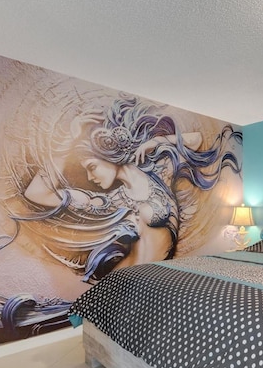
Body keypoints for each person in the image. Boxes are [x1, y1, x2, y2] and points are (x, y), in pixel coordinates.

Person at [23, 96, 241, 282]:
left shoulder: (160, 172)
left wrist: (156, 142)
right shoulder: (110, 202)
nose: (91, 177)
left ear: (108, 156)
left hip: (154, 277)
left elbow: (196, 140)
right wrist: (67, 144)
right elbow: (36, 194)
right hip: (128, 280)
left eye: (92, 167)